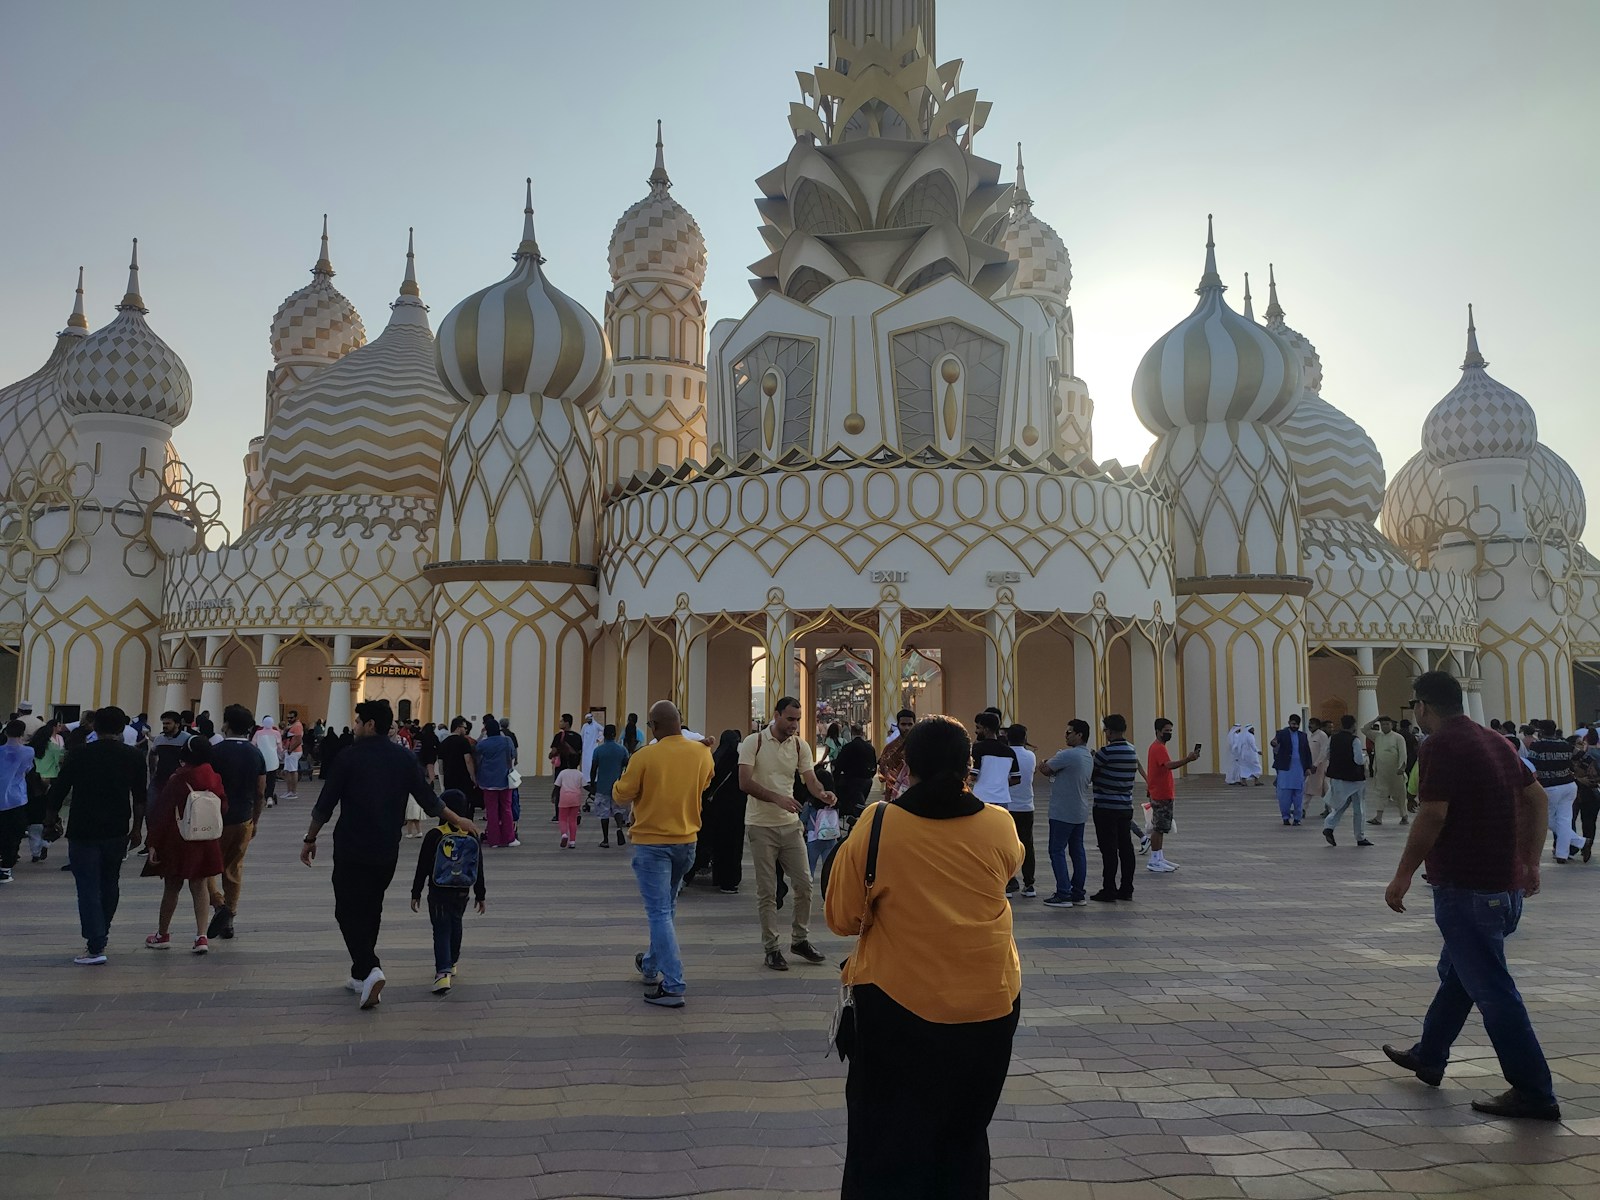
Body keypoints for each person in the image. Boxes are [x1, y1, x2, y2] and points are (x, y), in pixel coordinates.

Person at [824, 715, 1023, 1199]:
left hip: (898, 1005)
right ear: (968, 767)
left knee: (885, 1138)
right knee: (963, 1137)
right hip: (989, 1005)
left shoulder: (879, 824)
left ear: (906, 765)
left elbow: (843, 917)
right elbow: (1007, 874)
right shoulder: (999, 824)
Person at [1381, 671, 1560, 1121]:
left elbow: (1433, 814)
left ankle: (1534, 1091)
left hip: (1468, 891)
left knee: (1495, 992)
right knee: (1459, 972)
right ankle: (1430, 1054)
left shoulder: (1440, 745)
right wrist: (1530, 862)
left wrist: (1403, 874)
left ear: (1422, 706)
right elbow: (1537, 799)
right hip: (1503, 887)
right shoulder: (1496, 741)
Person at [300, 699, 478, 1009]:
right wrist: (458, 819)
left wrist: (310, 838)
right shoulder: (404, 758)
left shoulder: (349, 757)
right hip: (386, 850)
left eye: (358, 722)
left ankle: (370, 967)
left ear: (370, 725)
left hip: (352, 847)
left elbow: (325, 805)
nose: (354, 727)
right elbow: (429, 801)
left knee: (346, 910)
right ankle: (359, 975)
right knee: (371, 908)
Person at [613, 700, 714, 1007]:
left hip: (652, 843)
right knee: (667, 908)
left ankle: (673, 985)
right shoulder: (701, 753)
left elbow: (621, 794)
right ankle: (650, 965)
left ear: (654, 727)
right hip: (687, 841)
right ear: (680, 722)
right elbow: (705, 782)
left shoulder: (645, 756)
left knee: (658, 913)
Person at [44, 705, 147, 964]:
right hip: (116, 829)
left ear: (94, 727)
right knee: (110, 882)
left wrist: (50, 819)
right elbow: (140, 798)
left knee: (88, 886)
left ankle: (96, 942)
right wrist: (137, 828)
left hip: (83, 829)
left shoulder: (80, 754)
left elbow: (59, 789)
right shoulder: (133, 756)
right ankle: (103, 932)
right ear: (122, 728)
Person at [739, 696, 834, 971]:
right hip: (761, 825)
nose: (794, 725)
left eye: (798, 720)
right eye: (790, 719)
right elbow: (744, 782)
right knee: (767, 891)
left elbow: (810, 779)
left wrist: (822, 794)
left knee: (804, 884)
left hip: (790, 825)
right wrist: (776, 798)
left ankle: (799, 939)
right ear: (777, 715)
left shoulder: (799, 745)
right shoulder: (753, 742)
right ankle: (771, 947)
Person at [141, 734, 226, 954]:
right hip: (205, 839)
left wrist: (153, 843)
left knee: (172, 887)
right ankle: (201, 936)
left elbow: (162, 812)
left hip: (178, 840)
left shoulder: (178, 778)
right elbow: (223, 807)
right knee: (200, 886)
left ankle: (163, 934)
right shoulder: (214, 777)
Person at [409, 791, 486, 995]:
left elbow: (423, 866)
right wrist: (481, 894)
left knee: (441, 929)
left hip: (438, 891)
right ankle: (452, 962)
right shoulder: (470, 834)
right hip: (462, 890)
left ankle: (442, 974)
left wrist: (415, 892)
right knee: (456, 923)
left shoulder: (435, 835)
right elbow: (478, 867)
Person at [205, 705, 268, 941]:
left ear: (226, 724)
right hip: (244, 818)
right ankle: (229, 917)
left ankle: (219, 905)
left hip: (217, 819)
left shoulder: (215, 752)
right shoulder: (255, 753)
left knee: (208, 866)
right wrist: (256, 819)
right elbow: (260, 791)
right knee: (234, 868)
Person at [1039, 719, 1093, 906]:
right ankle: (1078, 892)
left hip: (1062, 811)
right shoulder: (1087, 756)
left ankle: (1063, 893)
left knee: (1056, 850)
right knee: (1077, 851)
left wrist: (1043, 763)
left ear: (1079, 735)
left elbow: (1046, 769)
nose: (1066, 735)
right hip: (1079, 810)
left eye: (1069, 732)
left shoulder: (1069, 755)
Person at [1089, 714, 1141, 902]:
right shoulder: (1132, 750)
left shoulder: (1106, 752)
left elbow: (1091, 773)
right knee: (1126, 848)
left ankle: (1108, 888)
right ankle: (1127, 887)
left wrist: (1093, 758)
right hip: (1125, 805)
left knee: (1108, 850)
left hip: (1105, 807)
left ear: (1110, 731)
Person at [1527, 719, 1583, 862]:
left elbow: (1530, 765)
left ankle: (1580, 842)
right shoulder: (1565, 745)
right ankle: (1562, 854)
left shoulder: (1537, 746)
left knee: (1548, 819)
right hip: (1569, 785)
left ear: (1541, 731)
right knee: (1564, 819)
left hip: (1550, 786)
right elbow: (1581, 756)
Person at [704, 730, 746, 894]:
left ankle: (718, 877)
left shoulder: (714, 757)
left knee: (718, 845)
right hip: (735, 810)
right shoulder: (737, 760)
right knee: (733, 846)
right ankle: (730, 881)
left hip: (715, 809)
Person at [999, 724, 1038, 897]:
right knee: (1027, 844)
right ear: (1024, 738)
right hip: (1027, 806)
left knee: (1007, 845)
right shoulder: (1031, 755)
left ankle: (1009, 881)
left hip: (1008, 805)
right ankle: (1029, 884)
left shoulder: (1005, 755)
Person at [1322, 715, 1373, 848]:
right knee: (1359, 808)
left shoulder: (1333, 738)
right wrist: (1365, 758)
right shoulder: (1354, 740)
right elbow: (1358, 760)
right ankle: (1360, 837)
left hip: (1337, 777)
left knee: (1340, 805)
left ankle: (1329, 826)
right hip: (1354, 779)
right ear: (1353, 725)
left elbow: (1326, 754)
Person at [473, 717, 519, 848]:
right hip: (505, 779)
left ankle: (494, 840)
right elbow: (512, 755)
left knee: (491, 811)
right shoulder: (507, 740)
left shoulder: (484, 744)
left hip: (487, 780)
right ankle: (509, 838)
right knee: (506, 809)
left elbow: (476, 750)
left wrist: (482, 735)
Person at [0, 719, 36, 885]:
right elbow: (28, 770)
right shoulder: (28, 752)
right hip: (16, 798)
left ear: (5, 733)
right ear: (22, 734)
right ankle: (6, 869)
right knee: (13, 834)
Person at [24, 719, 62, 863]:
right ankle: (46, 841)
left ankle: (35, 851)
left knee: (34, 818)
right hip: (50, 783)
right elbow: (59, 765)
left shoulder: (29, 748)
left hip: (33, 783)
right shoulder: (54, 747)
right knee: (50, 816)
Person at [589, 723, 631, 847]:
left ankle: (606, 839)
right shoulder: (622, 750)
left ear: (604, 735)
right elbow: (627, 764)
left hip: (602, 786)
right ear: (615, 734)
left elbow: (593, 768)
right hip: (617, 785)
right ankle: (619, 828)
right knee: (617, 809)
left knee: (604, 813)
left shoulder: (598, 750)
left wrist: (592, 784)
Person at [1269, 714, 1313, 826]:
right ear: (1289, 723)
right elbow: (1275, 741)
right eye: (1293, 724)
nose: (1295, 726)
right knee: (1284, 795)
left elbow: (1307, 752)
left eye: (1297, 724)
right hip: (1285, 769)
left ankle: (1297, 818)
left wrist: (1308, 767)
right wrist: (1274, 743)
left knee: (1298, 795)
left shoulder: (1302, 736)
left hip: (1299, 769)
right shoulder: (1282, 733)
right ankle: (1285, 817)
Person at [1366, 717, 1409, 827]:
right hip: (1381, 773)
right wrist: (1375, 719)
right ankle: (1378, 818)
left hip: (1396, 773)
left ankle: (1404, 816)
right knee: (1381, 794)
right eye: (1383, 724)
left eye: (1387, 724)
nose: (1385, 726)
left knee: (1400, 795)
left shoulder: (1398, 737)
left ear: (1392, 725)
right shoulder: (1377, 736)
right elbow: (1364, 729)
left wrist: (1402, 767)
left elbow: (1403, 753)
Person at [830, 726, 877, 822]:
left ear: (852, 733)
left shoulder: (848, 747)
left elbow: (840, 764)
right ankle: (859, 819)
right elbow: (874, 765)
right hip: (867, 780)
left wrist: (835, 778)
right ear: (862, 733)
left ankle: (857, 822)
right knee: (860, 802)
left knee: (856, 805)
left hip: (852, 780)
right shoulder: (870, 747)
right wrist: (870, 775)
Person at [437, 717, 478, 815]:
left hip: (449, 778)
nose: (466, 730)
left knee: (450, 803)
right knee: (464, 803)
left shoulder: (444, 743)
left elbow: (440, 763)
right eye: (465, 727)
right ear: (458, 727)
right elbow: (468, 760)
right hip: (463, 778)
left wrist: (442, 780)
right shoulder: (463, 741)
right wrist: (473, 777)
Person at [875, 708, 916, 801]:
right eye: (903, 724)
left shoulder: (921, 746)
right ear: (898, 725)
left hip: (916, 790)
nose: (907, 728)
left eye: (910, 724)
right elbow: (882, 771)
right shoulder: (890, 748)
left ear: (914, 724)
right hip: (894, 792)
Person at [548, 714, 583, 821]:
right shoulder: (578, 737)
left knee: (559, 789)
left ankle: (558, 814)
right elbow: (580, 752)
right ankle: (575, 811)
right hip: (573, 768)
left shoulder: (559, 736)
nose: (560, 723)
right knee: (574, 790)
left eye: (561, 721)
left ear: (567, 723)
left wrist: (551, 755)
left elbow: (553, 751)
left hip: (561, 768)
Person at [252, 715, 283, 809]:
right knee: (271, 779)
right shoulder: (276, 733)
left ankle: (260, 796)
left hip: (260, 759)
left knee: (260, 779)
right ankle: (269, 797)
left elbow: (253, 745)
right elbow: (279, 748)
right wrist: (282, 755)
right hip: (273, 759)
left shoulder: (258, 733)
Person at [554, 755, 584, 848]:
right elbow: (585, 785)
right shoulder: (580, 774)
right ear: (578, 763)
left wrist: (553, 796)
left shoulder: (563, 773)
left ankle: (564, 834)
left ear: (567, 763)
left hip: (564, 798)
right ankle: (572, 842)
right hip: (576, 799)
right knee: (573, 820)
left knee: (562, 818)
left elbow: (557, 786)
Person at [1306, 716, 1331, 813]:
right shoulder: (1311, 736)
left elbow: (1323, 752)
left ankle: (1331, 810)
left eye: (1312, 724)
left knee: (1322, 788)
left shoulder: (1322, 735)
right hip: (1312, 766)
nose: (1310, 726)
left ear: (1318, 725)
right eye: (1309, 723)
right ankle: (1303, 809)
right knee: (1312, 787)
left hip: (1320, 766)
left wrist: (1316, 764)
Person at [281, 712, 304, 800]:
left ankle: (292, 792)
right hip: (291, 750)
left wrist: (290, 749)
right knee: (288, 771)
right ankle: (289, 791)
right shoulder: (292, 726)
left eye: (291, 718)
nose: (289, 719)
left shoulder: (297, 726)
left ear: (296, 717)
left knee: (292, 771)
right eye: (288, 718)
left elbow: (298, 740)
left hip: (293, 751)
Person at [579, 710, 603, 779]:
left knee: (592, 763)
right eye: (587, 719)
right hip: (585, 748)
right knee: (585, 764)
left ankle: (593, 778)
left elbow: (603, 730)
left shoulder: (596, 725)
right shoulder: (584, 726)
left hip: (593, 747)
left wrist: (599, 738)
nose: (588, 720)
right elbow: (582, 736)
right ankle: (585, 778)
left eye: (589, 719)